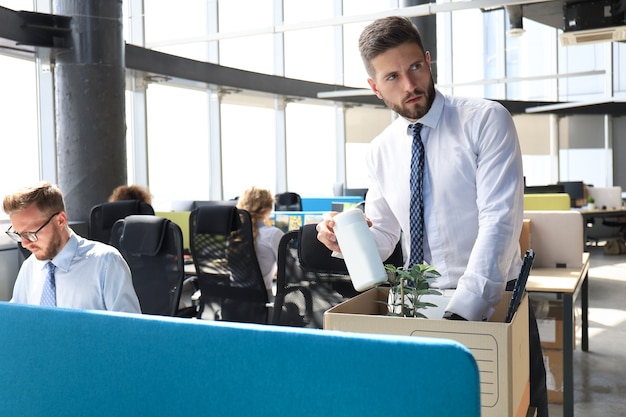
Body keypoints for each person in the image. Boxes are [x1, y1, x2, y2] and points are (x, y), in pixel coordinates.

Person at [316, 16, 548, 416]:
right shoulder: (380, 150)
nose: (409, 85)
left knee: (510, 407)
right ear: (374, 87)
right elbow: (385, 235)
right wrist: (346, 242)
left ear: (427, 61)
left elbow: (500, 223)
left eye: (415, 68)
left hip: (491, 303)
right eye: (392, 77)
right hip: (416, 306)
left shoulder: (485, 120)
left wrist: (461, 316)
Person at [4, 181, 141, 313]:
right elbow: (16, 323)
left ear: (60, 220)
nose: (24, 243)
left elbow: (130, 332)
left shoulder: (106, 263)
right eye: (18, 234)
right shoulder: (30, 267)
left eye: (30, 233)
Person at [236, 186, 284, 299]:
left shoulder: (233, 234)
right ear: (268, 209)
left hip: (232, 303)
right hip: (262, 303)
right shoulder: (273, 234)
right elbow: (293, 273)